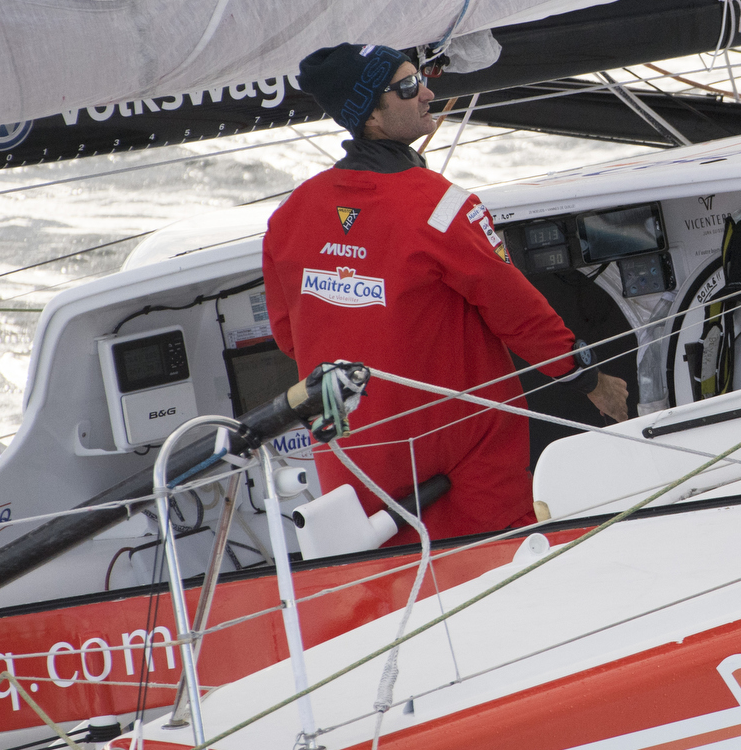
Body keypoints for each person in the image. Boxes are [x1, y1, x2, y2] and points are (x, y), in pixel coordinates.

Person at [262, 43, 628, 540]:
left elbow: (290, 339)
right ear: (370, 112)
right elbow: (520, 316)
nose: (428, 94)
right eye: (409, 87)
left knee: (392, 596)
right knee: (505, 582)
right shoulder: (440, 209)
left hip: (355, 468)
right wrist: (591, 382)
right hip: (461, 470)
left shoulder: (289, 217)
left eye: (423, 79)